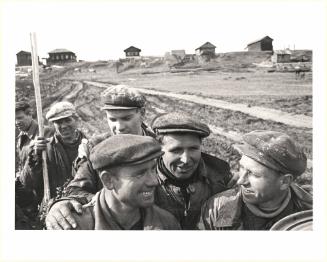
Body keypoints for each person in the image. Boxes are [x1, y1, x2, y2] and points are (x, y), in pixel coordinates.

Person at [45, 85, 155, 229]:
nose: (119, 127)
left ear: (142, 113)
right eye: (113, 119)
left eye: (126, 118)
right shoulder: (96, 147)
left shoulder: (159, 144)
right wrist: (62, 203)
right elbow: (76, 189)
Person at [53, 134, 181, 230]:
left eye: (153, 169)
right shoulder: (74, 226)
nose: (154, 181)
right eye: (140, 173)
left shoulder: (168, 223)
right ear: (108, 180)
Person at [197, 130, 312, 230]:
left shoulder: (309, 216)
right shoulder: (216, 208)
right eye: (241, 168)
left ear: (285, 181)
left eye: (254, 174)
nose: (240, 181)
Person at [151, 113, 233, 229]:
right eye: (176, 150)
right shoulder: (145, 181)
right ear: (159, 149)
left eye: (193, 149)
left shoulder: (221, 177)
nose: (185, 160)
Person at [19, 101, 87, 208]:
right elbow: (28, 183)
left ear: (77, 119)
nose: (63, 126)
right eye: (58, 122)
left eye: (68, 120)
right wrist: (35, 156)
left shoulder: (90, 145)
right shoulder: (46, 148)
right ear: (53, 125)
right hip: (56, 207)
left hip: (85, 204)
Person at [15, 101, 53, 175]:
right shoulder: (21, 137)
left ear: (30, 114)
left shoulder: (44, 132)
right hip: (26, 181)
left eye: (19, 118)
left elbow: (52, 162)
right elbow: (22, 163)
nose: (16, 122)